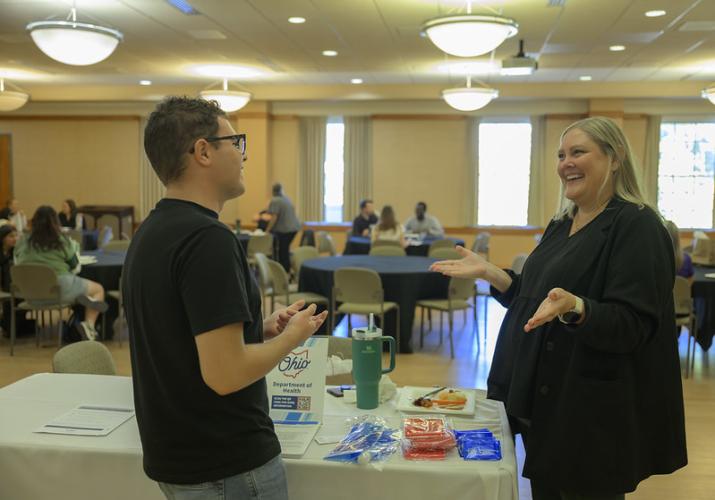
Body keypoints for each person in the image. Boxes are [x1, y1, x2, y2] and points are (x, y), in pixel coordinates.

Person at [431, 116, 687, 499]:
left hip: (589, 411)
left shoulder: (638, 226)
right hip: (542, 401)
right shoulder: (561, 223)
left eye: (578, 152)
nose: (565, 163)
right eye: (561, 154)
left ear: (615, 158)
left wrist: (578, 308)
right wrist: (493, 274)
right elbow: (536, 298)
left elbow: (635, 323)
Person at [123, 96, 327, 500]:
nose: (242, 155)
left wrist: (256, 326)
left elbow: (180, 334)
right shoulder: (208, 240)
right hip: (227, 463)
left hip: (180, 454)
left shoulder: (151, 231)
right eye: (235, 142)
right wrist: (292, 339)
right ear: (203, 152)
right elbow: (226, 374)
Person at [14, 206, 107, 340]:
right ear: (56, 222)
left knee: (81, 291)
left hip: (29, 293)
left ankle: (81, 302)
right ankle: (89, 326)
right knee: (98, 290)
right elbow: (76, 268)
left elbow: (18, 265)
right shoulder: (62, 241)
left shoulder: (22, 242)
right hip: (58, 289)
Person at [0, 224, 36, 338]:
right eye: (11, 236)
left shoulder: (16, 252)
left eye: (16, 236)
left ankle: (11, 324)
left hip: (16, 288)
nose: (15, 239)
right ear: (2, 238)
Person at [265, 182, 302, 272]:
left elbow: (274, 217)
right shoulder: (286, 199)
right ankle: (287, 271)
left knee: (282, 251)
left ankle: (285, 272)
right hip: (294, 228)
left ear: (273, 191)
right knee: (284, 250)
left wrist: (267, 230)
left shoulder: (275, 200)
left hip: (285, 230)